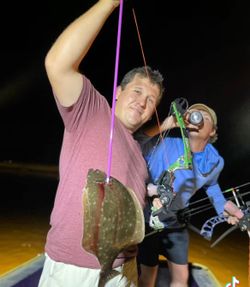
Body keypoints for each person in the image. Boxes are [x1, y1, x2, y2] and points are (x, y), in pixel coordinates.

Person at [38, 1, 165, 286]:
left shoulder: (140, 155)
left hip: (124, 270)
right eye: (137, 91)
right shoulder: (93, 111)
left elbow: (132, 209)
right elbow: (57, 64)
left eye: (151, 100)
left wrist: (134, 238)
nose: (142, 102)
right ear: (118, 92)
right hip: (74, 268)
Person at [135, 103, 242, 287]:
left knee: (181, 278)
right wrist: (150, 190)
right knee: (147, 275)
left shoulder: (215, 161)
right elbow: (134, 144)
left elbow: (212, 186)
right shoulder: (165, 142)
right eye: (194, 113)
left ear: (212, 131)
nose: (197, 117)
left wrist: (225, 207)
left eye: (204, 117)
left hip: (177, 222)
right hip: (147, 218)